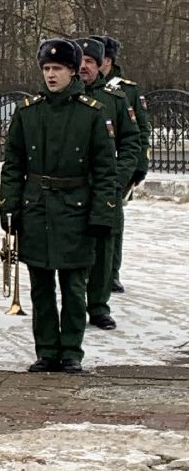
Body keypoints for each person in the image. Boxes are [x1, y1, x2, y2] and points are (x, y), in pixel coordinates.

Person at [0, 38, 118, 374]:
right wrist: (9, 207)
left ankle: (71, 352)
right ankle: (47, 350)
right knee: (40, 286)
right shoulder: (28, 112)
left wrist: (102, 214)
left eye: (58, 69)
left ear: (72, 71)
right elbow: (13, 165)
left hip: (76, 209)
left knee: (73, 285)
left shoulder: (91, 114)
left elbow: (105, 171)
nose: (51, 75)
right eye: (47, 69)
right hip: (37, 207)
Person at [77, 36, 141, 332]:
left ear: (102, 65)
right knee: (74, 247)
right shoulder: (66, 97)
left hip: (106, 185)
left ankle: (99, 306)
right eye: (80, 61)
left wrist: (120, 176)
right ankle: (74, 303)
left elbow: (132, 141)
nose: (84, 67)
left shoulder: (115, 99)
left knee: (104, 248)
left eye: (90, 61)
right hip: (74, 186)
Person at [100, 36, 150, 293]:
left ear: (107, 61)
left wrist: (139, 166)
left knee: (114, 221)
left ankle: (111, 272)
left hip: (119, 167)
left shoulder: (127, 91)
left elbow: (141, 131)